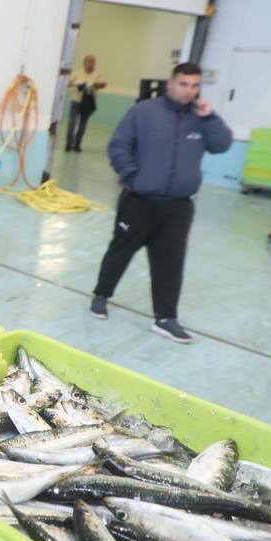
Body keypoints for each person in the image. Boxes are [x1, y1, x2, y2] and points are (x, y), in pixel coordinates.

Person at [89, 62, 232, 343]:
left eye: (194, 85)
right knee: (120, 250)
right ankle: (101, 295)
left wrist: (210, 117)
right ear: (170, 84)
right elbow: (118, 145)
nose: (189, 90)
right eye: (183, 84)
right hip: (140, 201)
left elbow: (222, 145)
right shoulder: (144, 112)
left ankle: (165, 318)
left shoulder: (200, 119)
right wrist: (133, 176)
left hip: (179, 206)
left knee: (170, 262)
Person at [65, 54, 106, 152]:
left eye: (92, 62)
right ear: (84, 63)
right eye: (88, 62)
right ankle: (68, 144)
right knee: (72, 123)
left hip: (88, 103)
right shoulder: (77, 73)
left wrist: (93, 84)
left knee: (82, 125)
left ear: (94, 63)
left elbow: (103, 84)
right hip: (76, 102)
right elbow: (68, 83)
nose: (90, 64)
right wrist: (76, 83)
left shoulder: (97, 74)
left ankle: (77, 145)